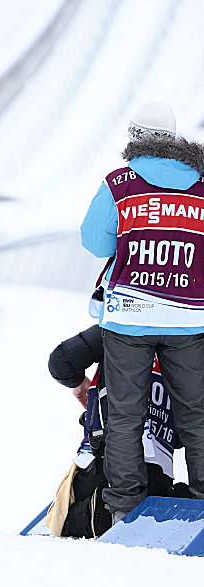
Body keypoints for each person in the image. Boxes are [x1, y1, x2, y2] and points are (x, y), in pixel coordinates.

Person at [80, 101, 204, 523]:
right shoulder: (201, 186)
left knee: (126, 415)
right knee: (196, 414)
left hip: (130, 317)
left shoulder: (119, 184)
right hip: (190, 318)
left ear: (134, 136)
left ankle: (124, 508)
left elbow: (96, 243)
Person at [46, 325, 188, 537]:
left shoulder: (121, 323)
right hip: (157, 476)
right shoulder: (191, 339)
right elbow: (184, 433)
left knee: (67, 521)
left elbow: (62, 362)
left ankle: (97, 517)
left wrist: (80, 385)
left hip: (100, 469)